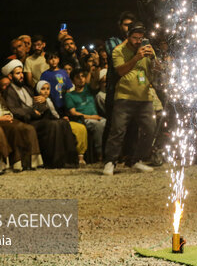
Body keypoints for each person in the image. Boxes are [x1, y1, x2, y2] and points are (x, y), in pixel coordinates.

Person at [102, 22, 158, 175]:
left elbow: (157, 70)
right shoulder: (118, 50)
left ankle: (137, 160)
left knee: (150, 129)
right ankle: (110, 162)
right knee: (118, 130)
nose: (138, 41)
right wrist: (136, 57)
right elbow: (120, 71)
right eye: (135, 38)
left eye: (141, 38)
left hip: (144, 97)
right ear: (127, 36)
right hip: (124, 96)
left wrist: (153, 59)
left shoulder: (147, 49)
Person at [2, 60, 78, 168]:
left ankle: (69, 160)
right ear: (10, 76)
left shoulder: (27, 88)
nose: (21, 76)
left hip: (38, 118)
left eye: (21, 73)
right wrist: (32, 112)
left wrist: (43, 101)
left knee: (63, 122)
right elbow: (14, 109)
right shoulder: (9, 91)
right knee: (53, 125)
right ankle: (54, 162)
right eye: (17, 73)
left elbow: (37, 103)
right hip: (27, 121)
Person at [0, 55, 43, 171]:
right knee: (16, 128)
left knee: (27, 128)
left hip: (3, 116)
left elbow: (1, 105)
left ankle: (30, 163)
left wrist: (7, 115)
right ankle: (16, 163)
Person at [35, 80, 89, 166]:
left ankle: (80, 156)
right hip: (53, 124)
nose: (46, 91)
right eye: (43, 89)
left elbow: (57, 112)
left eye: (48, 89)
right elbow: (45, 115)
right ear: (38, 90)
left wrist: (63, 117)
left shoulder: (50, 99)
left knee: (80, 128)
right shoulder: (38, 101)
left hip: (61, 121)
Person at [66, 69, 106, 161]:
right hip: (83, 120)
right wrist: (92, 117)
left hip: (97, 118)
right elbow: (73, 113)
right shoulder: (69, 95)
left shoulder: (89, 90)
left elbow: (95, 80)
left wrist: (93, 67)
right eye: (77, 77)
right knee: (98, 125)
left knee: (110, 123)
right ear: (72, 81)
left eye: (82, 76)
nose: (81, 79)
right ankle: (100, 154)